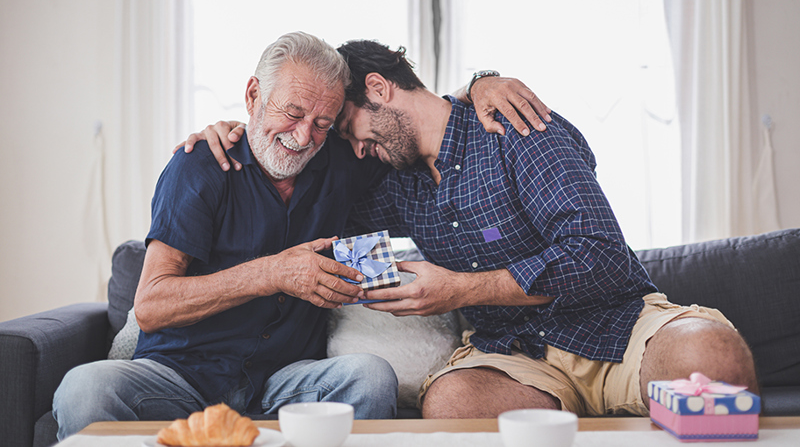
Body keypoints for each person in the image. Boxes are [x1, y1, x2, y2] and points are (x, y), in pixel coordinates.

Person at [195, 39, 759, 419]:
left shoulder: (513, 126)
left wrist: (461, 288)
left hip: (616, 325)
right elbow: (295, 178)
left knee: (714, 359)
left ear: (380, 88)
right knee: (452, 406)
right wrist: (236, 133)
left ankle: (637, 398)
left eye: (348, 127)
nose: (354, 148)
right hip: (513, 358)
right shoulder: (390, 184)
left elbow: (599, 255)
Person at [52, 32, 399, 441]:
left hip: (284, 384)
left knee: (372, 378)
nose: (303, 137)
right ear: (253, 96)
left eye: (322, 124)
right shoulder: (199, 166)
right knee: (84, 390)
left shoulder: (341, 163)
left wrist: (476, 85)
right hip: (179, 379)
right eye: (292, 112)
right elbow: (150, 306)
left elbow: (418, 120)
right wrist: (272, 273)